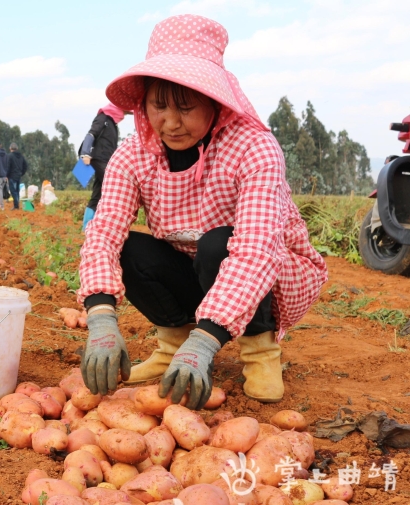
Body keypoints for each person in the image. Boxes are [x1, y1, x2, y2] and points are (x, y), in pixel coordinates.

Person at [77, 14, 328, 410]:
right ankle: (172, 346)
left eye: (186, 108)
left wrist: (205, 342)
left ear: (215, 103)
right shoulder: (133, 155)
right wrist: (101, 316)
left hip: (264, 274)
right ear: (144, 104)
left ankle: (260, 352)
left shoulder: (254, 148)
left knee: (218, 244)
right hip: (194, 270)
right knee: (128, 249)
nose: (171, 122)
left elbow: (257, 251)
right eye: (159, 106)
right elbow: (104, 232)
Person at [79, 104, 127, 230]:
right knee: (114, 188)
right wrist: (85, 153)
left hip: (107, 161)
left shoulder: (112, 123)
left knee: (97, 194)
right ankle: (109, 226)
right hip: (98, 159)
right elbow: (91, 134)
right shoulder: (103, 117)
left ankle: (87, 227)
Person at [6, 143, 28, 210]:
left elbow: (8, 167)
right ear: (17, 148)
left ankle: (16, 205)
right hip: (18, 175)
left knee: (13, 191)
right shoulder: (21, 156)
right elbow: (25, 165)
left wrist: (6, 175)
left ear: (10, 148)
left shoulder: (9, 156)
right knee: (17, 191)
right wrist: (22, 173)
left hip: (12, 176)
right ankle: (17, 204)